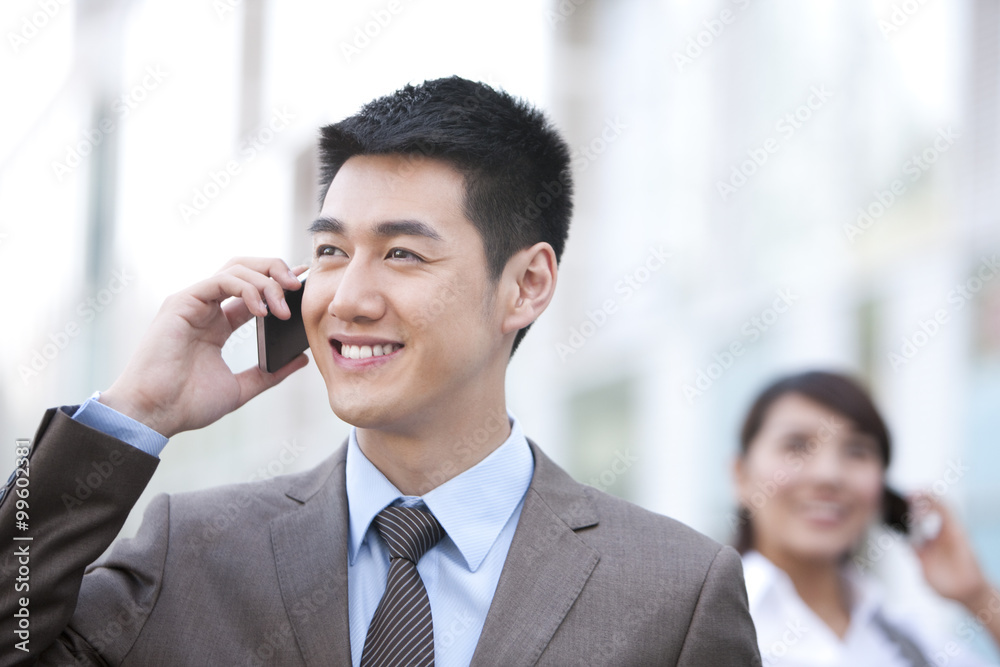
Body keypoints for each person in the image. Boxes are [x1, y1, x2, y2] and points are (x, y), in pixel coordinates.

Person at [1, 77, 761, 666]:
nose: (347, 298)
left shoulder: (673, 591)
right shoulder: (194, 552)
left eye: (402, 253)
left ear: (526, 285)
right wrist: (135, 409)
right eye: (331, 251)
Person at [732, 370, 1000, 666]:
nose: (829, 475)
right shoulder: (697, 622)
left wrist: (979, 596)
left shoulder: (913, 641)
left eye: (857, 450)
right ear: (740, 475)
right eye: (796, 446)